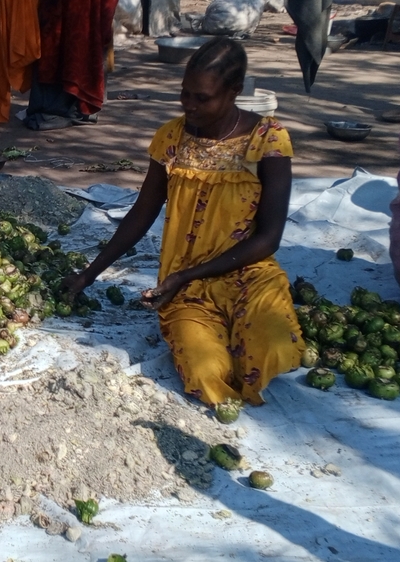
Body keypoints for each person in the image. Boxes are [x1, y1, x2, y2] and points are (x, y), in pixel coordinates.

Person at [62, 37, 303, 410]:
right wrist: (89, 274)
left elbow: (269, 237)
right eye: (184, 94)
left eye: (202, 98)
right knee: (206, 373)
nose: (189, 106)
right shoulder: (172, 139)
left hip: (247, 275)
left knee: (272, 349)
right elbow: (142, 213)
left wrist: (188, 276)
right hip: (185, 286)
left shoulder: (267, 140)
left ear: (234, 92)